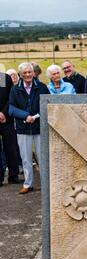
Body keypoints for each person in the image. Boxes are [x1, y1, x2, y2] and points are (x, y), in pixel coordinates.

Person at [9, 62, 50, 194]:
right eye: (24, 73)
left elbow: (48, 103)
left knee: (42, 157)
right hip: (23, 128)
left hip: (39, 127)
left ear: (33, 73)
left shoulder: (42, 87)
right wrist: (25, 116)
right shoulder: (15, 89)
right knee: (26, 158)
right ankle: (28, 184)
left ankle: (46, 184)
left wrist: (36, 116)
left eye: (29, 72)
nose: (27, 75)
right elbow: (11, 108)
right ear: (20, 75)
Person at [0, 72, 20, 186]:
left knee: (11, 148)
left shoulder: (3, 78)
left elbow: (9, 97)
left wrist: (3, 113)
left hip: (6, 119)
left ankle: (13, 175)